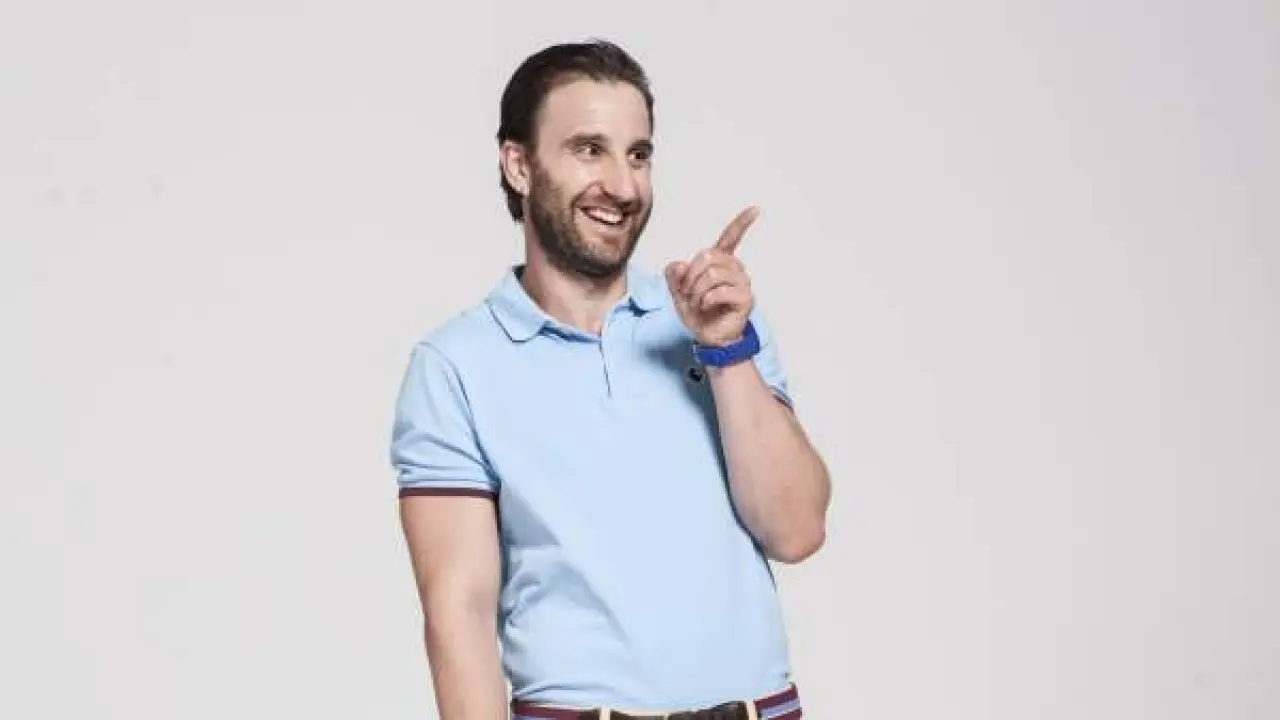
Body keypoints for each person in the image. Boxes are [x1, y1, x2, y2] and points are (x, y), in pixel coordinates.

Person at [389, 39, 831, 720]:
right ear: (519, 165)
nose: (623, 187)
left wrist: (725, 349)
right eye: (589, 150)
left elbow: (797, 530)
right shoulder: (455, 366)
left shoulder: (716, 321)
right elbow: (459, 614)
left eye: (638, 154)